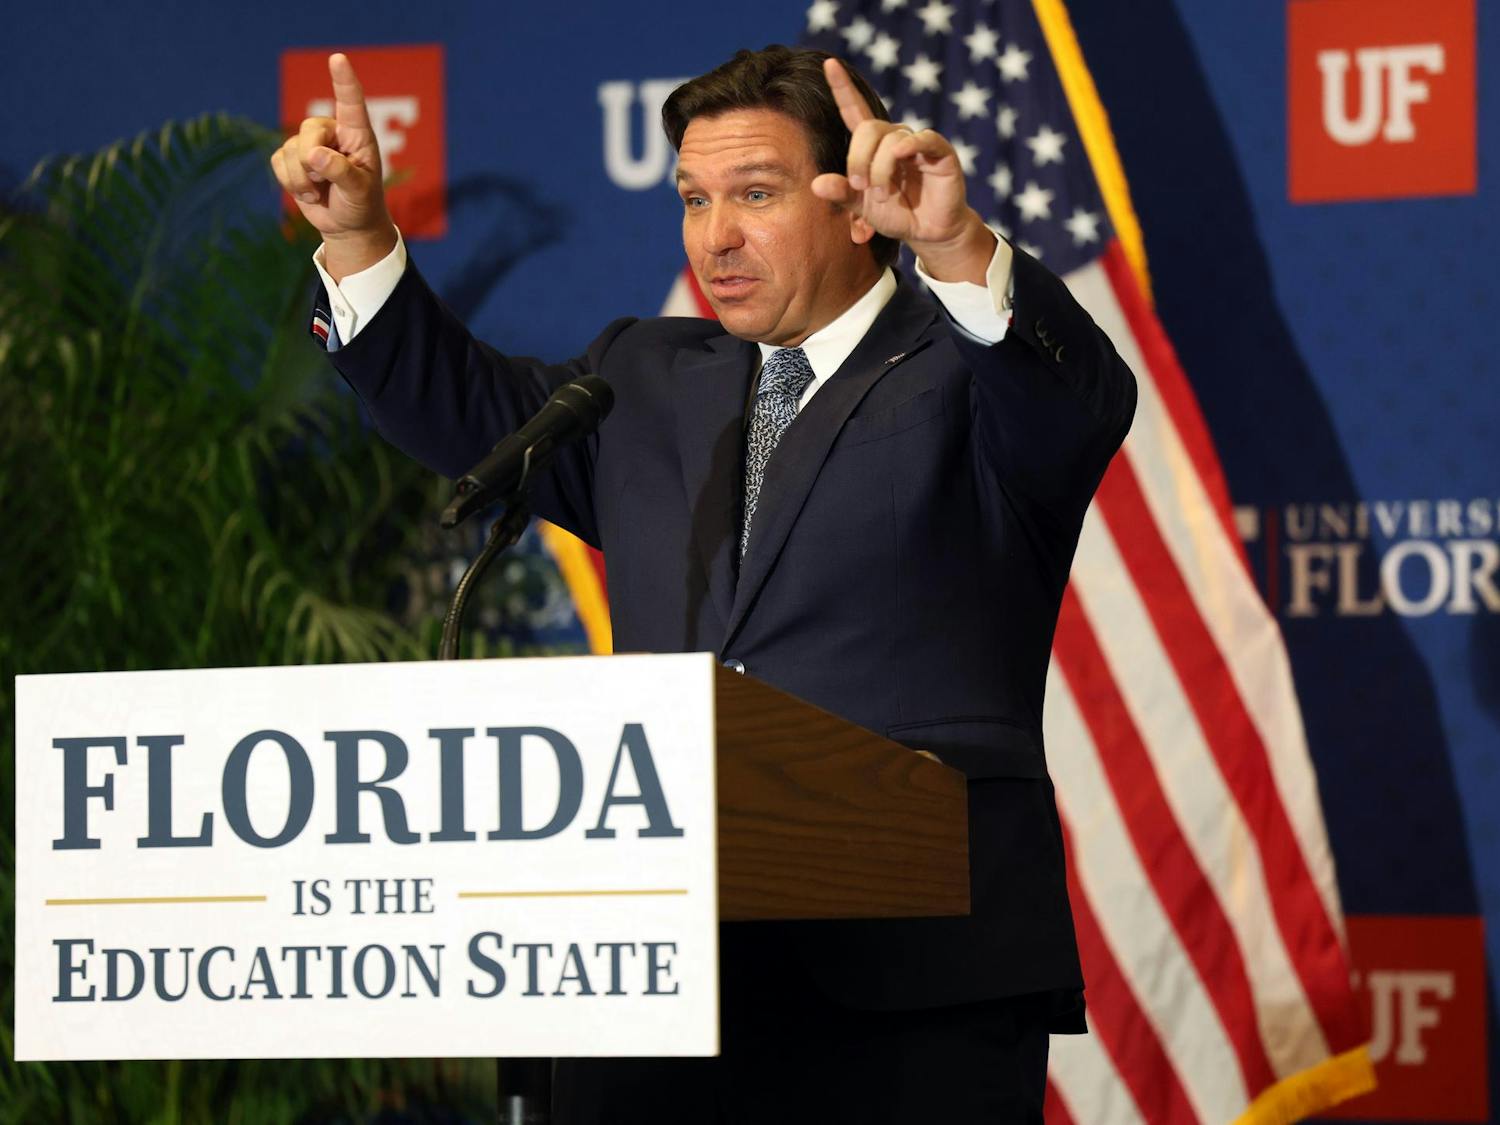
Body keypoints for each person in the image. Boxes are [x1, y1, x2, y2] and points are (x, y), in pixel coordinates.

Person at [273, 44, 1136, 1124]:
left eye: (756, 195)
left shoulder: (973, 369)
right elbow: (463, 408)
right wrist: (355, 237)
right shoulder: (642, 375)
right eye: (693, 199)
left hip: (913, 981)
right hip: (650, 976)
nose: (714, 236)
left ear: (861, 208)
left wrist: (957, 244)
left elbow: (1080, 404)